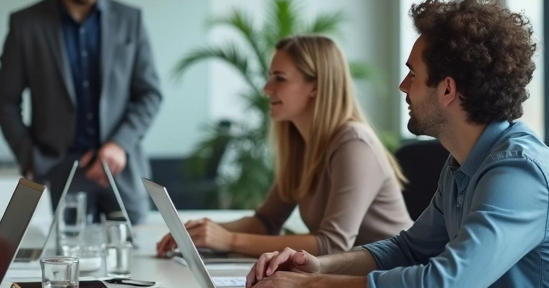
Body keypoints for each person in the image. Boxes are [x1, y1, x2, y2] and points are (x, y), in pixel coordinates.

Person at [245, 0, 549, 288]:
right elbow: (409, 249)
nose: (403, 86)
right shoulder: (462, 163)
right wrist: (318, 267)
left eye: (412, 74)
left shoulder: (519, 173)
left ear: (447, 89)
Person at [157, 35, 413, 259]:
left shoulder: (353, 143)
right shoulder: (302, 144)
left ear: (315, 86)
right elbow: (266, 222)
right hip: (351, 281)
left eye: (279, 78)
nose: (267, 89)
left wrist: (228, 240)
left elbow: (333, 245)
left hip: (394, 285)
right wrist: (202, 230)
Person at [0, 0, 162, 223]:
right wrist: (30, 159)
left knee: (137, 263)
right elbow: (5, 100)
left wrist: (119, 144)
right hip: (61, 172)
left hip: (123, 169)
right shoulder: (26, 25)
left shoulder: (130, 20)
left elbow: (149, 93)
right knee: (70, 264)